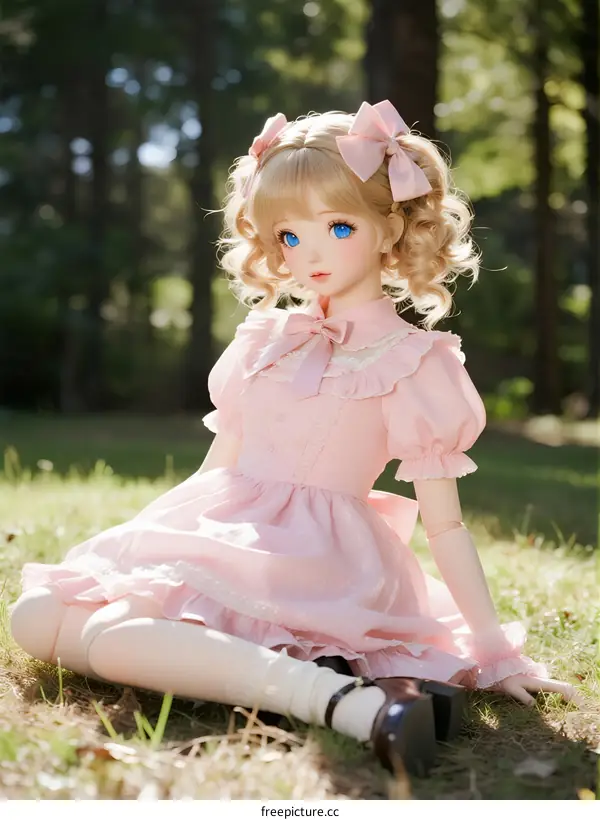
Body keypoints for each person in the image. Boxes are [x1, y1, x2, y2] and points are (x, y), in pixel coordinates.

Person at [10, 100, 578, 777]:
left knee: (113, 636)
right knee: (36, 615)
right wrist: (148, 551)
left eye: (337, 226)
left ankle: (345, 704)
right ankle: (325, 684)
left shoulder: (413, 360)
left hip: (313, 556)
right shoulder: (265, 338)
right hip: (227, 525)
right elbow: (217, 470)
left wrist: (496, 652)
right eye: (288, 234)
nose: (309, 253)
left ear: (391, 226)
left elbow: (446, 525)